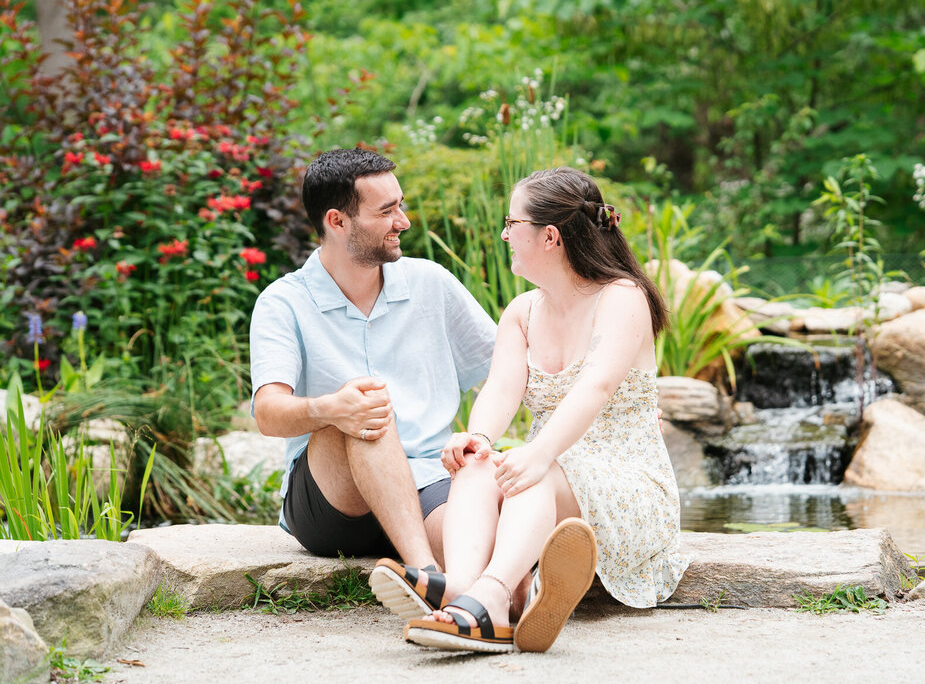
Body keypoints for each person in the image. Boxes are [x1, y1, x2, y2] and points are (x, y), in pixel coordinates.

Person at [370, 166, 689, 654]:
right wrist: (477, 438)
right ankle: (464, 591)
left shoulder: (623, 298)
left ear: (550, 237)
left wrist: (539, 452)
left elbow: (597, 386)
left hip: (626, 484)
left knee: (529, 472)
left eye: (511, 223)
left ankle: (494, 597)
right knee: (478, 466)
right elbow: (501, 388)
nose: (504, 234)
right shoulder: (522, 311)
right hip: (550, 476)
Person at [249, 148, 496, 573]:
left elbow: (504, 373)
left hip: (428, 482)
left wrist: (483, 436)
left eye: (399, 205)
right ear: (337, 221)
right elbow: (268, 413)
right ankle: (424, 577)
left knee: (479, 558)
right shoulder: (283, 302)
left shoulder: (431, 283)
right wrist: (330, 408)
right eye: (387, 211)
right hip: (334, 502)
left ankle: (500, 607)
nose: (404, 221)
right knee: (367, 406)